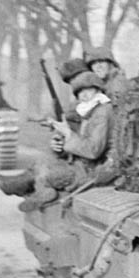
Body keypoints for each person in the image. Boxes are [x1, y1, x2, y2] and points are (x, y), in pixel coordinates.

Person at [20, 72, 116, 210]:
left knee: (46, 175)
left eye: (88, 90)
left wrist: (69, 134)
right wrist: (61, 145)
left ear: (98, 90)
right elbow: (83, 142)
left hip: (94, 171)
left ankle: (44, 197)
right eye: (80, 92)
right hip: (87, 166)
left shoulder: (102, 112)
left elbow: (93, 150)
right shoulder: (90, 111)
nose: (84, 95)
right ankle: (31, 191)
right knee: (42, 164)